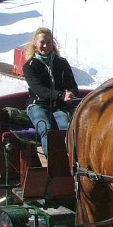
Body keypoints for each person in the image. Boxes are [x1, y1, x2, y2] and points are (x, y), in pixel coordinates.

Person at [22, 27, 78, 157]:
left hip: (59, 106)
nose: (45, 46)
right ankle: (52, 165)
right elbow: (39, 89)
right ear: (35, 43)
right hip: (38, 105)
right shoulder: (29, 66)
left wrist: (71, 94)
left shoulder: (62, 63)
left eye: (48, 42)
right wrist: (60, 95)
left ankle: (69, 162)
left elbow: (72, 85)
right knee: (46, 129)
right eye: (42, 42)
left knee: (65, 128)